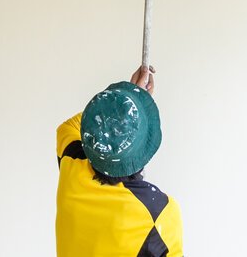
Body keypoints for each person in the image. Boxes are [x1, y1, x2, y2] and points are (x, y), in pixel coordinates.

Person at [55, 65, 183, 257]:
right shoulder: (158, 211)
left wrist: (121, 102)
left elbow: (71, 126)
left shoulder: (72, 168)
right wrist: (131, 103)